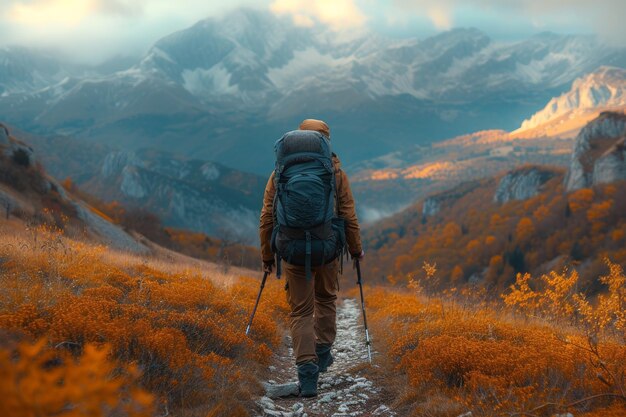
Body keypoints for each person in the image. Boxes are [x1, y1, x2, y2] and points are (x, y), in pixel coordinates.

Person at [259, 118, 364, 397]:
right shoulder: (336, 173)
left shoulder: (279, 172)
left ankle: (307, 377)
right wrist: (355, 249)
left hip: (292, 250)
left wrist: (267, 256)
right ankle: (323, 351)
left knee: (301, 312)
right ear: (325, 141)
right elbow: (348, 216)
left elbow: (267, 217)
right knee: (326, 299)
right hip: (327, 249)